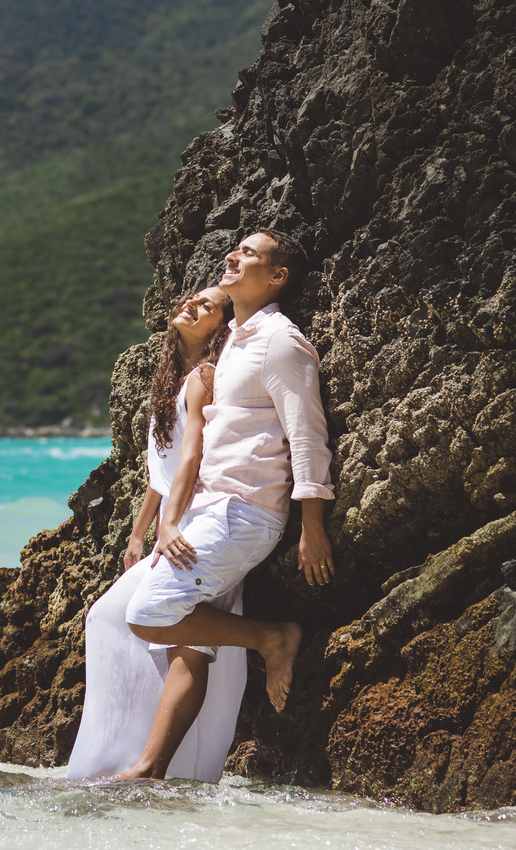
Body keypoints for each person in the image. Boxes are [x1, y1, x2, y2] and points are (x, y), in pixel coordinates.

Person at [116, 227, 334, 780]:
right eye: (233, 249)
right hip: (212, 510)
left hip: (247, 513)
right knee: (143, 618)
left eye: (249, 254)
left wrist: (313, 524)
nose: (232, 256)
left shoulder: (280, 341)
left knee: (146, 614)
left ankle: (272, 638)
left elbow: (307, 434)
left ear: (277, 276)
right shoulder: (234, 342)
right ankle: (151, 762)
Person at [66, 284, 243, 782]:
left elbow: (194, 461)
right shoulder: (173, 379)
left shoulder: (206, 377)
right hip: (173, 524)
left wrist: (170, 526)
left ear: (220, 327)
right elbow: (160, 472)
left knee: (169, 636)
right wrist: (138, 533)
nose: (190, 305)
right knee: (135, 627)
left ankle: (150, 766)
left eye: (206, 305)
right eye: (190, 299)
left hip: (202, 522)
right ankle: (137, 761)